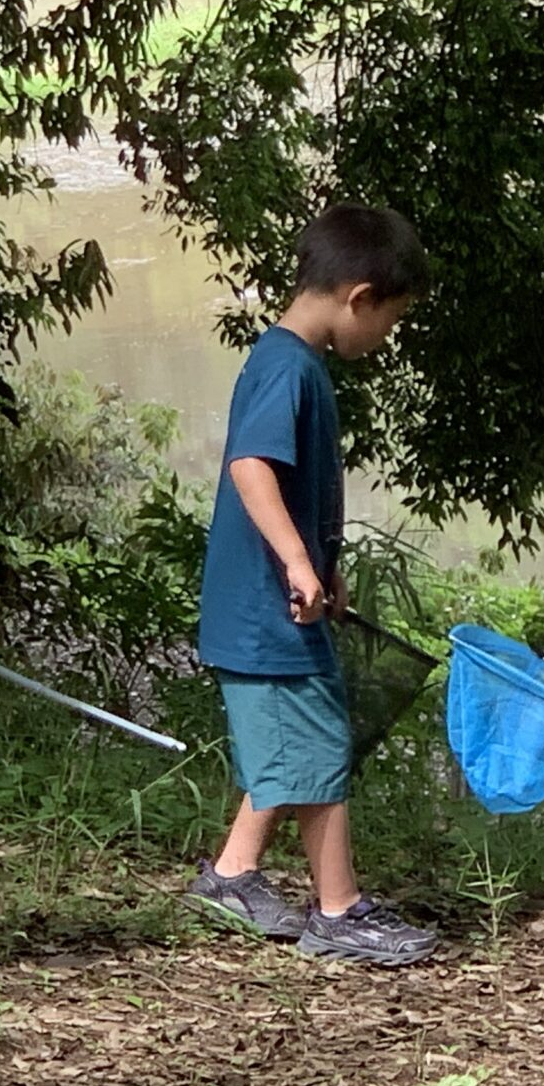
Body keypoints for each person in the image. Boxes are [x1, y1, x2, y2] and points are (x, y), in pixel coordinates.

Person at [184, 204, 437, 967]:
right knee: (318, 745)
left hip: (276, 602)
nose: (385, 337)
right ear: (359, 297)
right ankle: (339, 912)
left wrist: (321, 561)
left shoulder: (294, 362)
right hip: (267, 610)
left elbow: (294, 484)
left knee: (290, 745)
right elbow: (251, 467)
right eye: (390, 321)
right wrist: (295, 562)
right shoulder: (287, 366)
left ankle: (231, 876)